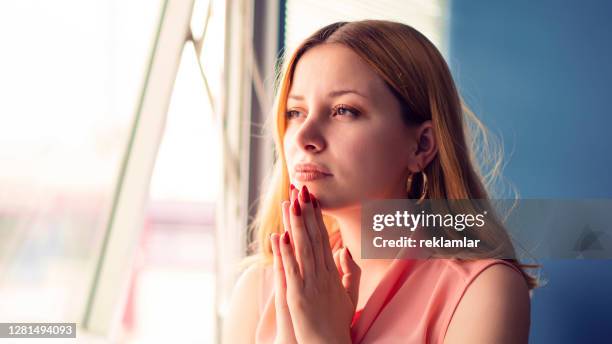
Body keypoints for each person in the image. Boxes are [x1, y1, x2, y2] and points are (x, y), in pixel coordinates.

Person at [222, 20, 537, 344]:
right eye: (295, 112)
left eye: (344, 110)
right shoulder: (257, 290)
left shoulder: (484, 291)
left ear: (422, 145)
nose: (304, 137)